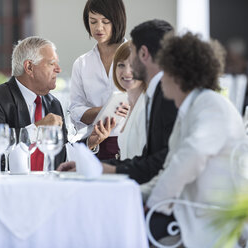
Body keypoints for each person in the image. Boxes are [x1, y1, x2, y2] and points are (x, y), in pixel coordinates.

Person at [146, 32, 246, 247]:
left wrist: (153, 203)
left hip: (206, 220)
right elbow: (169, 169)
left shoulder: (211, 105)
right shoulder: (192, 108)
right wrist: (134, 193)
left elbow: (192, 156)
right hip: (187, 211)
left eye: (165, 71)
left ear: (179, 76)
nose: (161, 78)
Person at [59, 20, 178, 185]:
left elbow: (160, 162)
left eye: (133, 54)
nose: (127, 70)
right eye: (120, 65)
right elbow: (139, 160)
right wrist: (91, 165)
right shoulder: (151, 97)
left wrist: (102, 169)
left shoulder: (163, 98)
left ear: (143, 54)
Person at [0, 36, 67, 172]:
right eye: (51, 63)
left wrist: (89, 143)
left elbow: (60, 153)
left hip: (48, 187)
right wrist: (37, 129)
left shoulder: (54, 104)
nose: (58, 69)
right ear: (29, 67)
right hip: (6, 188)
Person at [68, 0, 128, 160]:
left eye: (105, 22)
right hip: (95, 145)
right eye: (93, 21)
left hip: (131, 143)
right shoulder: (82, 63)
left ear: (117, 20)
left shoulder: (137, 57)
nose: (98, 28)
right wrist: (104, 111)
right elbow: (74, 111)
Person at [86, 41, 147, 161]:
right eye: (121, 65)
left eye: (133, 65)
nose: (126, 72)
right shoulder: (125, 105)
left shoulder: (147, 106)